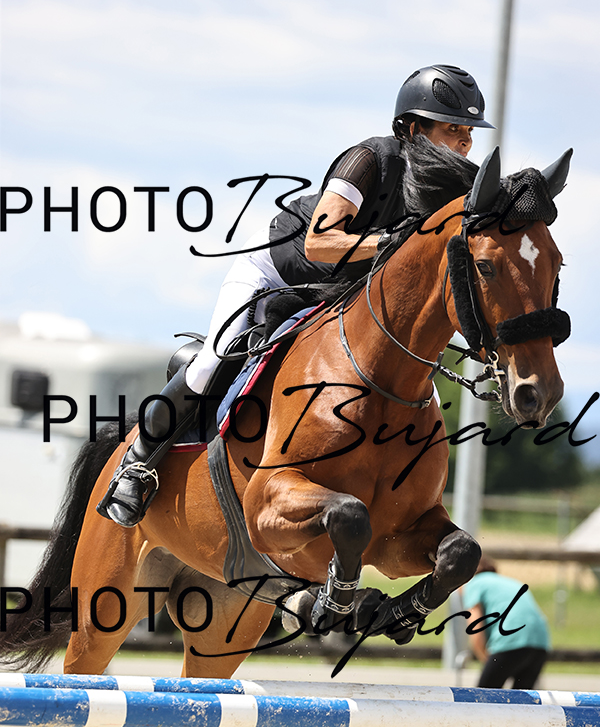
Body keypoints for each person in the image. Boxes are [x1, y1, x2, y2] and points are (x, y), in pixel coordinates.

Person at [98, 64, 493, 527]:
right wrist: (390, 243)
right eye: (452, 129)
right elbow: (319, 242)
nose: (464, 143)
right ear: (411, 128)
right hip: (276, 271)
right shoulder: (369, 160)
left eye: (469, 133)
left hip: (343, 293)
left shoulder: (450, 192)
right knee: (212, 362)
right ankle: (137, 463)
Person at [452, 557, 550, 727]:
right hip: (540, 644)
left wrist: (486, 659)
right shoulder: (508, 582)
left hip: (510, 644)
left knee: (479, 708)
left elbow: (476, 628)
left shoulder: (473, 583)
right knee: (519, 715)